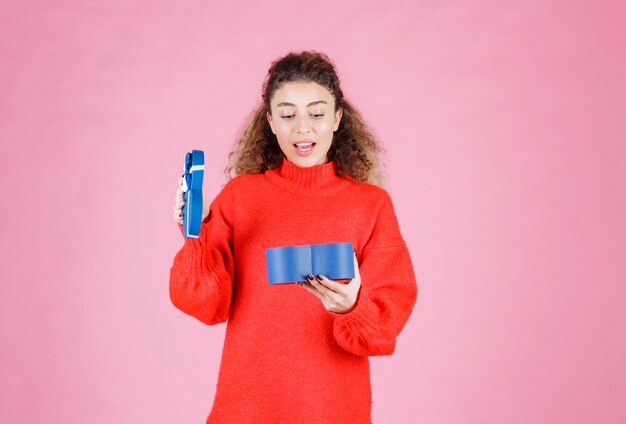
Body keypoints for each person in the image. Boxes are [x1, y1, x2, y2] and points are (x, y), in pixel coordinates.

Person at [170, 51, 418, 424]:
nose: (303, 127)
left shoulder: (371, 206)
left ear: (337, 119)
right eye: (287, 115)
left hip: (334, 412)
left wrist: (353, 308)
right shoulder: (239, 198)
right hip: (246, 410)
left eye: (317, 114)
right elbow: (206, 305)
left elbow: (383, 333)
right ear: (270, 121)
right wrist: (198, 230)